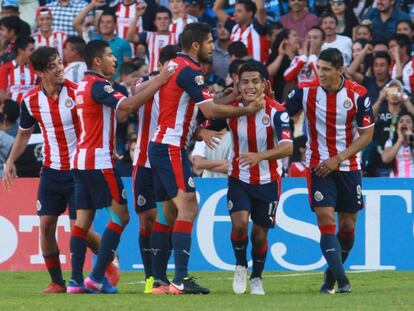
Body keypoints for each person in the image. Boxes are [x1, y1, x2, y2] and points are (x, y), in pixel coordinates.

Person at [148, 22, 264, 295]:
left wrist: (233, 95)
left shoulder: (177, 66)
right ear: (197, 45)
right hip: (170, 147)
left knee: (171, 213)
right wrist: (248, 110)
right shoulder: (190, 70)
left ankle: (158, 281)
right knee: (188, 207)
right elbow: (211, 110)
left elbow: (204, 109)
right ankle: (180, 279)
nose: (214, 47)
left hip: (163, 145)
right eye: (211, 42)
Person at [67, 39, 174, 294]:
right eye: (109, 56)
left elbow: (108, 116)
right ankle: (95, 277)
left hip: (82, 159)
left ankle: (74, 282)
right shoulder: (99, 84)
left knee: (82, 222)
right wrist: (159, 81)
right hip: (98, 162)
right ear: (97, 61)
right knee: (122, 216)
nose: (114, 60)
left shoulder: (82, 86)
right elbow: (127, 106)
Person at [2, 47, 111, 293]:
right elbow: (23, 134)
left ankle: (105, 260)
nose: (60, 68)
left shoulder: (78, 92)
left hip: (79, 170)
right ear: (41, 73)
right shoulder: (30, 101)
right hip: (51, 171)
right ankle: (57, 282)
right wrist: (10, 162)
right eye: (53, 66)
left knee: (78, 227)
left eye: (60, 63)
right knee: (46, 225)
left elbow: (98, 122)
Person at [285, 48, 375, 294]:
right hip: (319, 166)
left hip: (348, 165)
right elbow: (282, 114)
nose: (321, 74)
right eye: (319, 68)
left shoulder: (358, 94)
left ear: (339, 70)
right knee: (325, 218)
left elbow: (367, 135)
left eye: (326, 69)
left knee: (347, 226)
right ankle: (342, 279)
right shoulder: (305, 91)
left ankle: (331, 272)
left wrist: (339, 158)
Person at [223, 62, 293, 295]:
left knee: (260, 234)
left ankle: (257, 277)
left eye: (255, 81)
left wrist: (260, 156)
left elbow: (287, 147)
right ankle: (241, 265)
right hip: (239, 177)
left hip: (269, 180)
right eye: (245, 81)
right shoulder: (230, 109)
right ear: (237, 84)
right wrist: (202, 131)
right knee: (240, 225)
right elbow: (203, 115)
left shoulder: (277, 112)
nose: (250, 86)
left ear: (264, 84)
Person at [131, 44, 180, 294]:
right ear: (161, 65)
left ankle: (162, 274)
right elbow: (132, 96)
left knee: (168, 218)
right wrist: (159, 81)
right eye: (169, 65)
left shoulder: (182, 87)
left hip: (169, 161)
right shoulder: (147, 82)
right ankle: (151, 277)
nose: (173, 70)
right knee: (147, 219)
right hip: (144, 162)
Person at [127, 6, 178, 73]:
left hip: (172, 76)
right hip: (153, 77)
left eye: (165, 18)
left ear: (170, 21)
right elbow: (130, 37)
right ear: (154, 22)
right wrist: (137, 16)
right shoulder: (148, 36)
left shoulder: (177, 37)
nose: (162, 21)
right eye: (159, 19)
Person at [0, 36, 37, 104]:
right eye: (31, 50)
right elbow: (1, 93)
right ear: (20, 51)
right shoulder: (5, 68)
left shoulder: (36, 69)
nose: (34, 53)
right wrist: (15, 108)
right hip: (13, 112)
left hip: (32, 111)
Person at [382, 112, 414, 177]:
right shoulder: (390, 142)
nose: (404, 123)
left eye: (408, 122)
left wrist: (411, 138)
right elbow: (385, 159)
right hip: (396, 181)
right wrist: (400, 140)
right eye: (401, 121)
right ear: (397, 126)